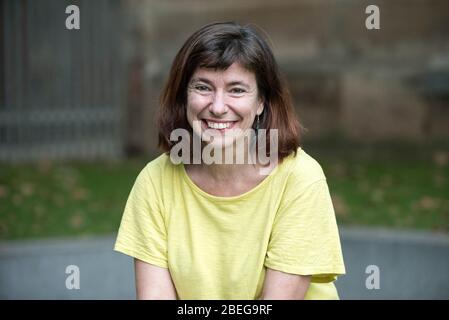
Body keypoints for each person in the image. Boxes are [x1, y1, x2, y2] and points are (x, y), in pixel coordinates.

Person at [114, 21, 345, 300]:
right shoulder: (154, 181)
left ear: (261, 101)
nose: (218, 107)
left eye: (236, 90)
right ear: (183, 96)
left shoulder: (299, 178)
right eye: (203, 87)